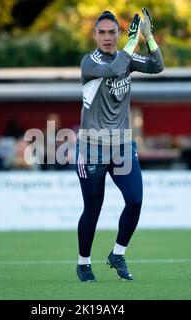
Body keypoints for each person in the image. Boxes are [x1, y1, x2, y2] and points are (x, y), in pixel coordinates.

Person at [75, 9, 164, 282]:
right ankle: (83, 263)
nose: (107, 37)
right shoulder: (89, 62)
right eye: (101, 32)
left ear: (118, 33)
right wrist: (131, 43)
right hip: (92, 146)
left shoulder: (126, 57)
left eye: (112, 32)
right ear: (94, 35)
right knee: (93, 208)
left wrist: (148, 37)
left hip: (122, 146)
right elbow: (114, 68)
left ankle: (117, 254)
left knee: (135, 200)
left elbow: (157, 65)